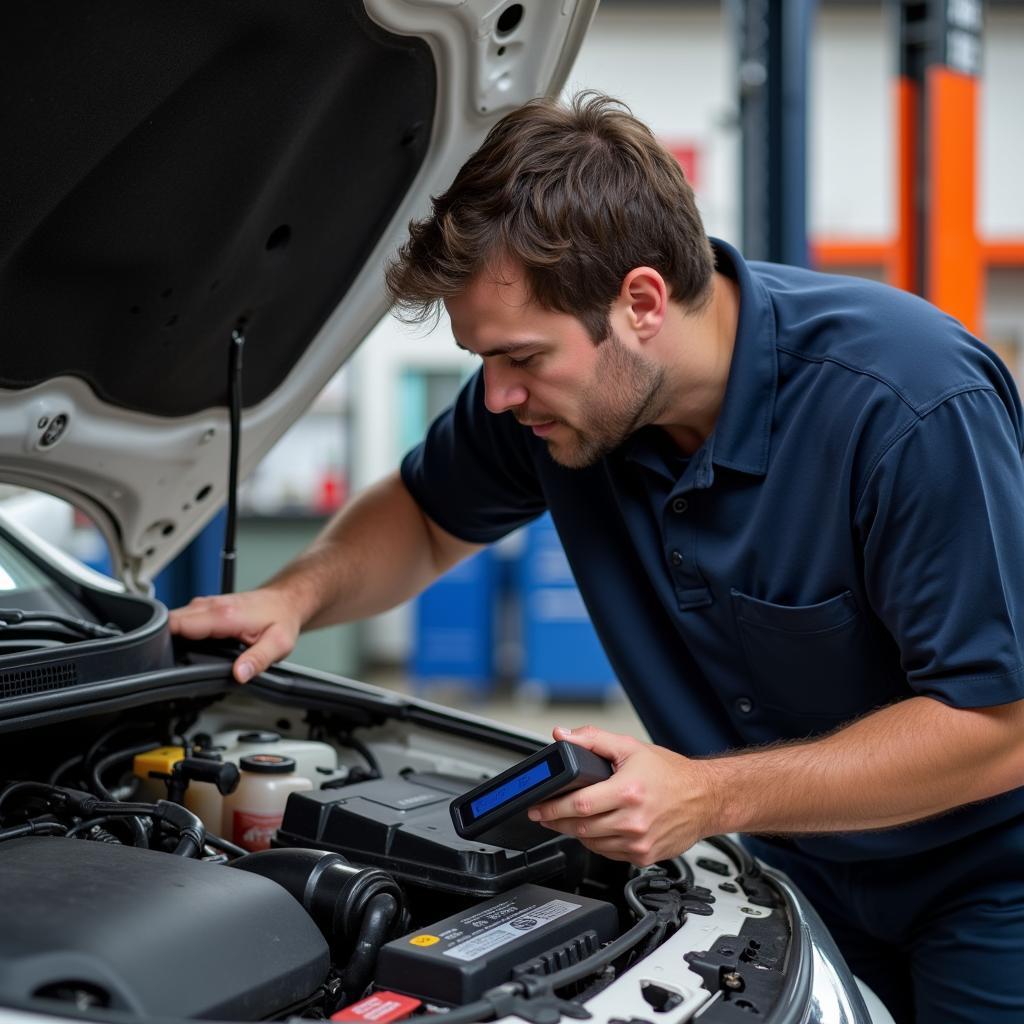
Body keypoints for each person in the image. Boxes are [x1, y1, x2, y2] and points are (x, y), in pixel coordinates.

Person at [170, 93, 1024, 1022]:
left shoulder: (906, 409)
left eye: (522, 358)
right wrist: (297, 595)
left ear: (642, 302)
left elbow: (999, 726)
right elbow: (422, 517)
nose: (496, 397)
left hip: (987, 883)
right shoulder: (555, 407)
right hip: (790, 865)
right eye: (483, 361)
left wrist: (707, 794)